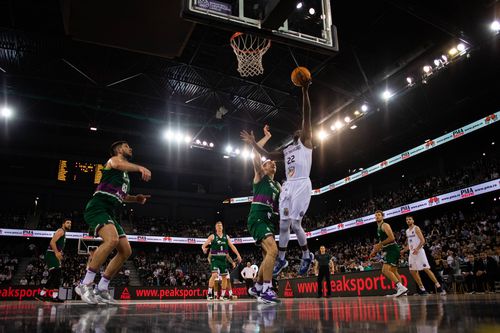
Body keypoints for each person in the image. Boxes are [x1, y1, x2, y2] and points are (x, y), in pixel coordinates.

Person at [241, 80, 314, 277]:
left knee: (296, 224)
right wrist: (253, 143)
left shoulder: (306, 142)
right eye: (297, 131)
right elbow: (266, 153)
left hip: (301, 185)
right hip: (288, 186)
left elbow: (307, 116)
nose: (300, 130)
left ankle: (307, 255)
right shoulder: (287, 149)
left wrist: (305, 90)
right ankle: (281, 259)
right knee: (283, 223)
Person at [75, 141, 151, 304]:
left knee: (126, 251)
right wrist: (139, 168)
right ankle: (84, 284)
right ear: (118, 150)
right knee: (112, 240)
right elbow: (117, 163)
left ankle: (102, 288)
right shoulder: (113, 162)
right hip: (98, 208)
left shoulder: (125, 177)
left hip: (110, 212)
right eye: (126, 146)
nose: (130, 148)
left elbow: (122, 196)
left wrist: (136, 199)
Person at [240, 130, 281, 304]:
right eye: (268, 162)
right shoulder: (260, 177)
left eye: (273, 163)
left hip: (270, 221)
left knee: (268, 257)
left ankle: (257, 287)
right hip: (257, 218)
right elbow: (255, 157)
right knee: (274, 251)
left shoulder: (278, 185)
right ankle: (266, 289)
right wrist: (256, 142)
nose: (272, 163)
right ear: (263, 168)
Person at [400, 216, 445, 295]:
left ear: (413, 220)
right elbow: (409, 244)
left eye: (410, 219)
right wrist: (403, 250)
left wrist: (417, 249)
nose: (408, 221)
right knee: (412, 271)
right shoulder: (407, 231)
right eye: (407, 220)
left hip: (420, 251)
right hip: (412, 252)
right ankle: (422, 289)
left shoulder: (416, 228)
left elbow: (423, 240)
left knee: (426, 269)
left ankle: (439, 286)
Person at [369, 210, 408, 297]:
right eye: (376, 215)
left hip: (392, 249)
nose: (377, 216)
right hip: (389, 249)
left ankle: (400, 287)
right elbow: (381, 243)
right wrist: (374, 251)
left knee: (385, 270)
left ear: (382, 216)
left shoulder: (385, 225)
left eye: (379, 215)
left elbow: (392, 238)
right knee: (394, 271)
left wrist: (379, 244)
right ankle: (402, 292)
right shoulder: (378, 228)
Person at [202, 222, 242, 301]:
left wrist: (238, 254)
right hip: (215, 259)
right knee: (214, 275)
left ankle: (222, 296)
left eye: (221, 226)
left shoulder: (226, 237)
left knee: (224, 277)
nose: (220, 227)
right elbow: (203, 245)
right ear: (216, 228)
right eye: (218, 226)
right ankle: (209, 293)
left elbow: (232, 246)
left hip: (223, 259)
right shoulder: (212, 236)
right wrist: (204, 249)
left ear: (222, 228)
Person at [35, 219, 72, 303]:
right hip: (52, 254)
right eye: (68, 223)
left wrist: (60, 253)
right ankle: (53, 296)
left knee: (55, 276)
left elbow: (58, 245)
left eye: (70, 223)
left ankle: (41, 295)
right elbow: (52, 242)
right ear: (63, 224)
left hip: (54, 254)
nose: (69, 224)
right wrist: (56, 253)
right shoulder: (60, 230)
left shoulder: (64, 233)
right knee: (57, 274)